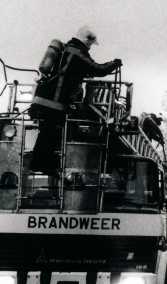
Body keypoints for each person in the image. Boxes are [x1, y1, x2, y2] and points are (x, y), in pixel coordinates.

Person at [29, 26, 122, 174]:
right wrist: (114, 63)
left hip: (43, 96)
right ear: (87, 40)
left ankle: (46, 163)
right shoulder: (78, 52)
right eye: (91, 44)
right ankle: (39, 163)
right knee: (49, 131)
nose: (90, 48)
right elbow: (97, 68)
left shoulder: (66, 49)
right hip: (55, 99)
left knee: (49, 130)